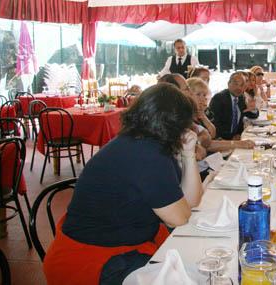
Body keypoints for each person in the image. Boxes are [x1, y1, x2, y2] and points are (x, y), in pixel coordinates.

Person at [43, 83, 204, 284]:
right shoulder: (146, 153)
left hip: (116, 244)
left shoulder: (142, 142)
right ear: (173, 124)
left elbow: (192, 201)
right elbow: (179, 218)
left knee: (193, 259)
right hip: (94, 260)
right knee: (196, 267)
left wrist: (188, 153)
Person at [187, 77, 255, 152]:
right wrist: (237, 143)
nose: (202, 99)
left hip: (218, 147)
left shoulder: (205, 112)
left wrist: (203, 117)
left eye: (204, 95)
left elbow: (213, 133)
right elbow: (207, 144)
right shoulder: (186, 117)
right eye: (198, 94)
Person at [209, 72, 259, 140]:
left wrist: (253, 109)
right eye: (236, 84)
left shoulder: (241, 98)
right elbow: (215, 124)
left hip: (238, 137)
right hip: (222, 139)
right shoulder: (219, 98)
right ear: (229, 83)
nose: (238, 88)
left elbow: (253, 115)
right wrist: (231, 136)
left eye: (242, 85)